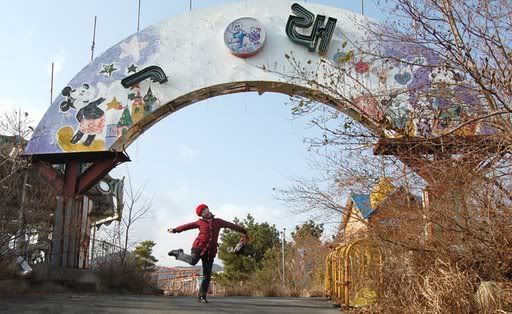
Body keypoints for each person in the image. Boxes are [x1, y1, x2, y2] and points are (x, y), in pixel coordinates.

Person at [167, 204, 249, 303]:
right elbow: (187, 226)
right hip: (198, 247)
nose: (205, 212)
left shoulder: (218, 221)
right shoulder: (200, 222)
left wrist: (243, 230)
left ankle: (201, 296)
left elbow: (231, 225)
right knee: (193, 261)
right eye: (203, 212)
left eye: (206, 209)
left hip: (210, 251)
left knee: (207, 274)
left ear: (208, 209)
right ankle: (178, 253)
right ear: (201, 215)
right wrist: (175, 230)